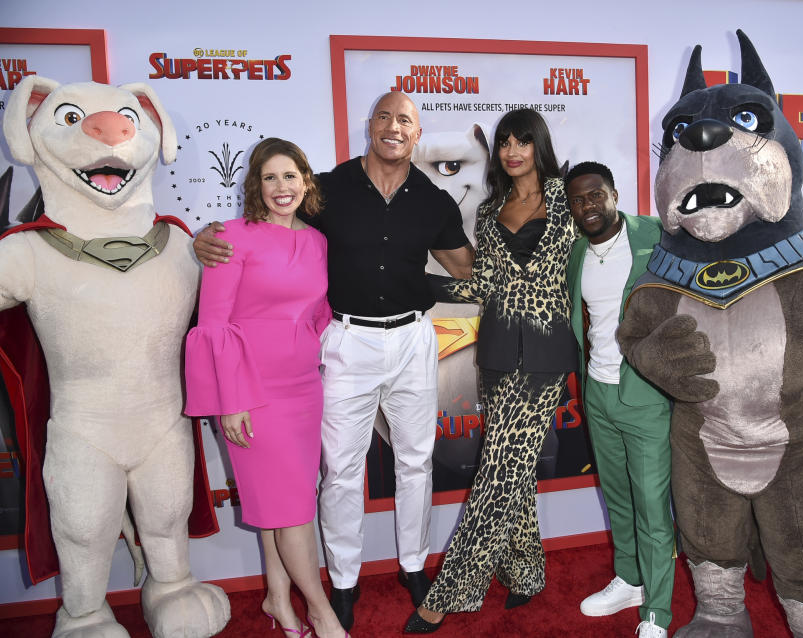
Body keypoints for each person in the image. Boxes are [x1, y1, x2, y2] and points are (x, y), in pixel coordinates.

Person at [192, 91, 474, 631]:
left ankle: (414, 566)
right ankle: (342, 580)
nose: (394, 127)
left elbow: (464, 267)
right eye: (385, 117)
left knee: (416, 459)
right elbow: (271, 226)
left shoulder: (435, 201)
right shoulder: (327, 189)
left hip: (414, 339)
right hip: (347, 342)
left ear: (418, 135)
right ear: (370, 125)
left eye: (406, 121)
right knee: (341, 469)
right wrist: (204, 238)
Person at [404, 108, 580, 633]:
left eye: (523, 140)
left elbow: (617, 239)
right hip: (498, 353)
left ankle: (454, 588)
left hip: (546, 357)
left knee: (500, 470)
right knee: (513, 467)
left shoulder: (569, 201)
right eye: (504, 141)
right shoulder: (489, 212)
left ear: (538, 146)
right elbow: (484, 285)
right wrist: (421, 285)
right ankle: (526, 572)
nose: (512, 149)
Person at [184, 138, 346, 638]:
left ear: (306, 182)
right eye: (270, 177)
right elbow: (212, 323)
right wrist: (231, 402)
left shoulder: (317, 241)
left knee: (286, 502)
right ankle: (321, 610)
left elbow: (319, 313)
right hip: (251, 396)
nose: (282, 187)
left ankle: (278, 597)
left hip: (303, 387)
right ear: (255, 184)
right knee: (293, 508)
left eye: (291, 176)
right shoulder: (231, 237)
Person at [564, 161, 674, 638]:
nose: (588, 206)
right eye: (578, 199)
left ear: (614, 194)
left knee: (652, 505)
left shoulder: (655, 234)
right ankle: (630, 580)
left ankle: (658, 611)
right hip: (598, 391)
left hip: (644, 392)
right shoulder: (575, 254)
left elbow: (721, 244)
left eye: (595, 195)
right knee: (619, 498)